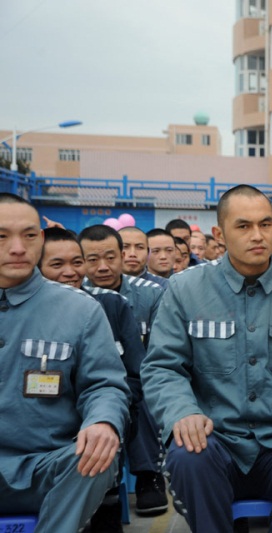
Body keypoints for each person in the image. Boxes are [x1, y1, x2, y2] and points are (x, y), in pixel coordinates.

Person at [141, 185, 272, 532]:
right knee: (186, 453)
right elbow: (163, 366)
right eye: (243, 226)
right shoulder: (185, 289)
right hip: (215, 442)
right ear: (219, 234)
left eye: (266, 224)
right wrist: (183, 413)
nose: (258, 236)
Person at [0, 193, 130, 532]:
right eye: (2, 236)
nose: (17, 247)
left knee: (99, 457)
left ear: (41, 240)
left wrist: (103, 422)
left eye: (29, 235)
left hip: (48, 465)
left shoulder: (79, 310)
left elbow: (105, 384)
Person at [40, 227, 146, 531]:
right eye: (57, 265)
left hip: (102, 422)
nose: (70, 273)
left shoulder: (109, 305)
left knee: (100, 448)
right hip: (40, 431)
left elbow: (135, 377)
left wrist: (105, 417)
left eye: (77, 263)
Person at [78, 224, 168, 516]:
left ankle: (147, 477)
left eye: (109, 257)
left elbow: (159, 349)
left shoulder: (151, 293)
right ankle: (106, 483)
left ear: (121, 256)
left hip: (138, 373)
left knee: (143, 394)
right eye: (92, 259)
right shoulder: (74, 295)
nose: (102, 267)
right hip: (86, 382)